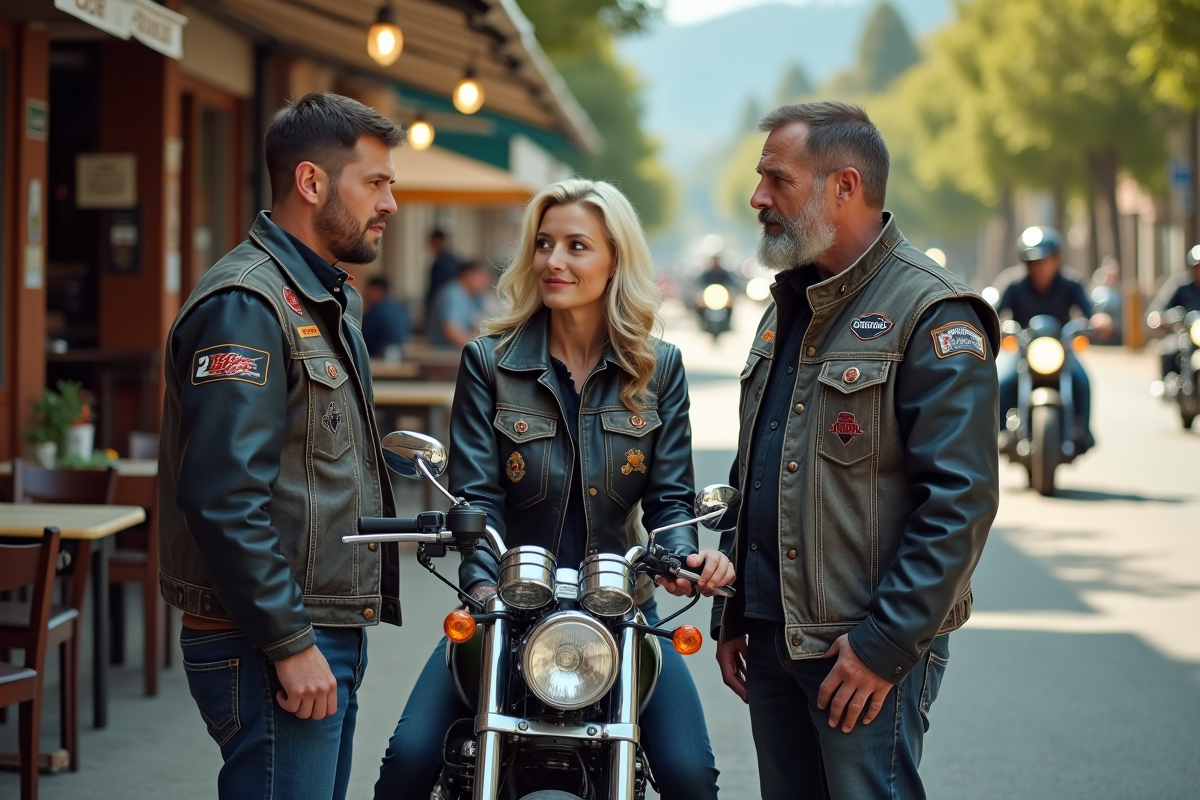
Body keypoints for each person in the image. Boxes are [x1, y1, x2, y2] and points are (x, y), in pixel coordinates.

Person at [373, 178, 734, 800]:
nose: (553, 261)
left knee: (690, 774)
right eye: (543, 244)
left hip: (622, 612)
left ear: (615, 258)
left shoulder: (660, 368)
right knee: (408, 761)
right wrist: (483, 587)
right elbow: (476, 499)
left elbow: (670, 502)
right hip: (507, 608)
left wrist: (682, 559)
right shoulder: (489, 362)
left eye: (576, 245)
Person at [711, 102, 1000, 800]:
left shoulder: (932, 313)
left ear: (844, 187)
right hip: (775, 641)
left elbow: (960, 502)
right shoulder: (788, 303)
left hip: (861, 651)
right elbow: (755, 468)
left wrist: (884, 646)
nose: (758, 198)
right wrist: (735, 612)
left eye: (776, 180)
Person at [158, 92, 405, 800]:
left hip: (307, 628)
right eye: (377, 183)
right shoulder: (248, 302)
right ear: (312, 182)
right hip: (269, 639)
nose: (390, 204)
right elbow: (221, 497)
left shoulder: (320, 301)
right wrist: (290, 643)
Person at [994, 226, 1113, 451]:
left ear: (1057, 260)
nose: (1040, 267)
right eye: (1033, 261)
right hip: (1023, 350)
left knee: (1081, 380)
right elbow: (995, 310)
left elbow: (1090, 309)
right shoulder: (1013, 283)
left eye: (1045, 260)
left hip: (1061, 349)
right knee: (1004, 381)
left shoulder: (1071, 282)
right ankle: (1002, 432)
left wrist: (1099, 319)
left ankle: (1082, 430)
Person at [1147, 244, 1200, 378]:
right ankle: (1168, 381)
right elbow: (1159, 306)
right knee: (1170, 349)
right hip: (1184, 333)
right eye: (1197, 267)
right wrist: (1159, 318)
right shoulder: (1180, 285)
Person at [426, 259, 490, 349]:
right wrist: (477, 350)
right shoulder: (453, 293)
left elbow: (474, 328)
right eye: (481, 278)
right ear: (468, 275)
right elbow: (450, 330)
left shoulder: (467, 296)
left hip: (455, 352)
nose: (485, 282)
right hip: (444, 354)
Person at [361, 275, 411, 357]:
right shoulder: (399, 308)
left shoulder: (376, 311)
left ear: (376, 290)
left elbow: (363, 339)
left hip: (378, 357)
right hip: (399, 356)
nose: (365, 294)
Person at [424, 228, 461, 310]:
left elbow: (437, 288)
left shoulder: (446, 262)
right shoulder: (441, 260)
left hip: (442, 304)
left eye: (431, 241)